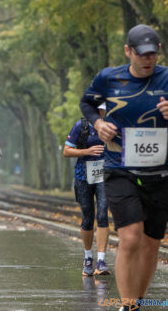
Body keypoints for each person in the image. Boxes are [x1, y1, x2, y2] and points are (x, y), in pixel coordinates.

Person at [79, 24, 168, 311]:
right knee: (130, 236)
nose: (147, 60)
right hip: (119, 168)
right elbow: (87, 103)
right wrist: (98, 123)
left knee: (152, 243)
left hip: (160, 172)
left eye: (153, 54)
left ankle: (136, 301)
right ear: (128, 51)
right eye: (141, 54)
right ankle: (127, 306)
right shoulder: (108, 78)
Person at [63, 116, 110, 276]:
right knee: (88, 217)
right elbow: (66, 150)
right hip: (83, 175)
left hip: (105, 175)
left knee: (103, 214)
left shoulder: (112, 123)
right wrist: (87, 151)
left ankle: (101, 261)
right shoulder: (81, 126)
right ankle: (88, 257)